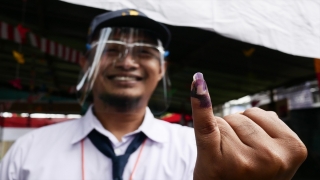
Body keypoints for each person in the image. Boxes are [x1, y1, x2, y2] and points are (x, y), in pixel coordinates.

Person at [0, 9, 307, 180]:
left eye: (145, 52)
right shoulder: (28, 152)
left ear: (161, 69)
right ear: (86, 63)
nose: (127, 61)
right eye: (111, 49)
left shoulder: (202, 150)